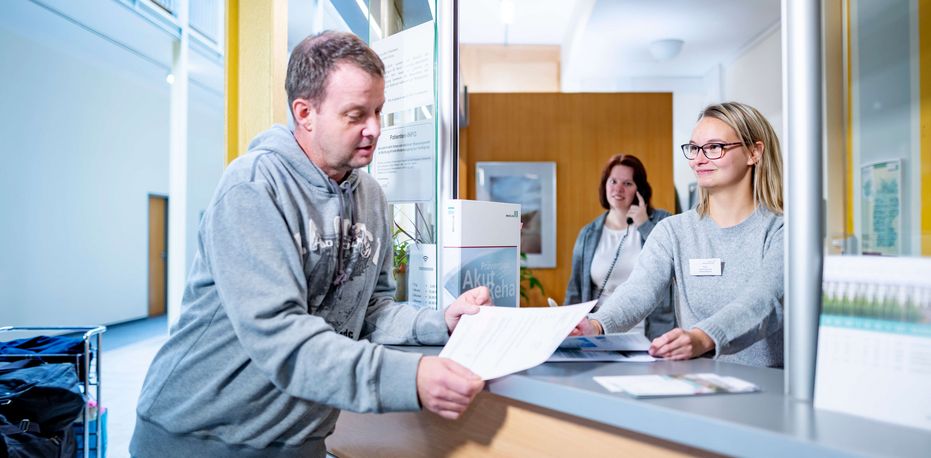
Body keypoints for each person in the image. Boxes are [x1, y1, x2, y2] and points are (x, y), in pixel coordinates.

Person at [130, 31, 490, 457]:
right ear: (305, 112)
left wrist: (439, 321)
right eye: (356, 115)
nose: (374, 129)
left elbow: (369, 309)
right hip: (200, 438)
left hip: (297, 442)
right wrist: (408, 378)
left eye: (378, 111)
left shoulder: (370, 197)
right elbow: (280, 336)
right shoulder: (253, 188)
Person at [573, 101, 785, 368]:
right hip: (699, 382)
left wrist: (703, 337)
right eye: (695, 148)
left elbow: (763, 301)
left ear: (754, 152)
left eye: (714, 147)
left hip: (768, 388)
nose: (698, 159)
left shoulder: (782, 231)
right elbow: (639, 291)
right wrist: (596, 324)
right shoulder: (673, 231)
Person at [563, 154, 675, 340]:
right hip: (599, 332)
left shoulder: (663, 222)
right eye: (613, 181)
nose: (618, 189)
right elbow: (575, 291)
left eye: (627, 183)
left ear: (641, 190)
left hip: (651, 334)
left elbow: (672, 262)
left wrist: (645, 225)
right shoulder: (589, 233)